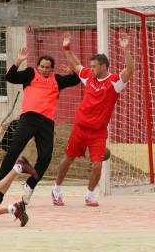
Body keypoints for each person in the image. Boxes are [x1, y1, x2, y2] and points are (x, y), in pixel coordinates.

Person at [52, 32, 134, 207]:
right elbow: (75, 63)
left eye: (95, 66)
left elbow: (130, 70)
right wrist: (66, 47)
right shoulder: (88, 76)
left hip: (98, 131)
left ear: (104, 66)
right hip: (80, 127)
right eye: (91, 66)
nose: (92, 68)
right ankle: (56, 189)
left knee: (97, 165)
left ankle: (89, 195)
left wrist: (125, 49)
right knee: (68, 159)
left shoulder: (114, 82)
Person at [0, 47, 80, 205]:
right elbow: (10, 77)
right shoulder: (30, 74)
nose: (44, 70)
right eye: (42, 67)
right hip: (28, 119)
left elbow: (76, 79)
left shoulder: (57, 80)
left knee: (45, 157)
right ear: (38, 66)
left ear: (52, 69)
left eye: (47, 67)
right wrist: (18, 61)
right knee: (14, 151)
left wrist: (72, 69)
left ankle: (30, 185)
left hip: (46, 122)